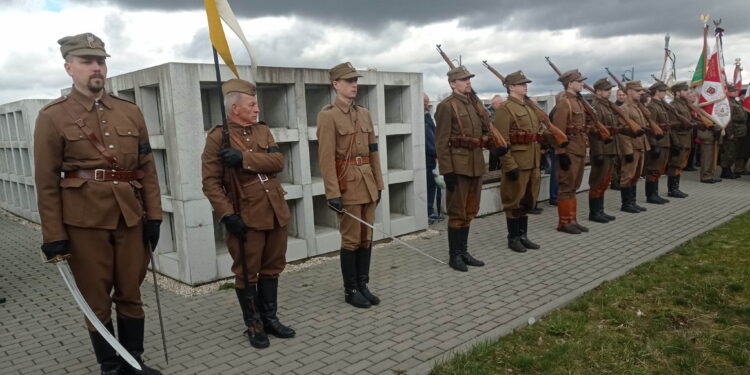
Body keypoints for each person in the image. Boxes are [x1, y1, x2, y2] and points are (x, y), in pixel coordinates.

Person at [34, 33, 163, 374]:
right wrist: (53, 235)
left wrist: (155, 215)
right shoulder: (52, 117)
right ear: (69, 68)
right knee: (96, 300)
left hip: (130, 217)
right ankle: (109, 366)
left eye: (100, 61)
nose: (96, 67)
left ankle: (133, 362)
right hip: (83, 223)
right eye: (86, 61)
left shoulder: (130, 112)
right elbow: (46, 182)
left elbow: (147, 167)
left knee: (131, 294)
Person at [202, 78, 295, 349]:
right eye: (252, 104)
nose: (257, 109)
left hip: (274, 208)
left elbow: (278, 162)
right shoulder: (218, 137)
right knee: (247, 272)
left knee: (273, 266)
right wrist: (227, 215)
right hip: (245, 213)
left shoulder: (262, 131)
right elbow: (210, 182)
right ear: (235, 108)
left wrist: (243, 159)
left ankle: (270, 318)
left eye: (256, 105)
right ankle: (253, 324)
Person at [317, 62, 384, 308]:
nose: (354, 85)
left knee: (367, 237)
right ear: (336, 84)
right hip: (348, 186)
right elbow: (325, 158)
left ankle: (363, 285)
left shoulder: (364, 114)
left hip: (367, 182)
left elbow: (373, 151)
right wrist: (332, 193)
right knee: (351, 239)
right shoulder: (328, 116)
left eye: (355, 81)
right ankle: (351, 289)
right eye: (348, 81)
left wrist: (379, 184)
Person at [436, 65, 499, 271]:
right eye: (463, 80)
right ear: (452, 83)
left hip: (475, 164)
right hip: (458, 166)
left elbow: (484, 130)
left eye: (469, 79)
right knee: (457, 212)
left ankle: (464, 251)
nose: (468, 82)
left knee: (470, 210)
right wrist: (447, 171)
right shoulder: (447, 106)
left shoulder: (474, 105)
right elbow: (442, 141)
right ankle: (455, 255)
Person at [493, 71, 543, 252]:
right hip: (517, 162)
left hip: (532, 161)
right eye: (521, 84)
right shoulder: (505, 108)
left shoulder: (528, 107)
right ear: (511, 87)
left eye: (526, 83)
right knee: (514, 202)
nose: (525, 86)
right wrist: (509, 164)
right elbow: (501, 140)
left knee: (526, 201)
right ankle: (513, 238)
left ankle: (523, 236)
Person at [550, 70, 590, 234]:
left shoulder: (579, 102)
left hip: (579, 148)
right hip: (569, 151)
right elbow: (558, 131)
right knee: (566, 186)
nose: (582, 83)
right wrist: (561, 153)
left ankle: (572, 220)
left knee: (574, 186)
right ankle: (564, 222)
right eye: (579, 81)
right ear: (570, 83)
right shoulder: (564, 103)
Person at [588, 78, 621, 223]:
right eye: (607, 90)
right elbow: (594, 132)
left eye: (610, 90)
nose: (609, 92)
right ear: (598, 91)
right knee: (597, 182)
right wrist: (598, 152)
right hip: (602, 150)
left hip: (610, 148)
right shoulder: (595, 107)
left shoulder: (608, 106)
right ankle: (594, 213)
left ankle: (600, 210)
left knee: (604, 182)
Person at [618, 81, 651, 213]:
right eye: (638, 91)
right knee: (628, 175)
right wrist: (627, 151)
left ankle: (633, 201)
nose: (641, 93)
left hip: (640, 145)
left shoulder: (638, 107)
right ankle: (626, 204)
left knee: (636, 175)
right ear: (630, 91)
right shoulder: (624, 109)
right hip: (632, 147)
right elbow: (623, 132)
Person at [666, 81, 696, 197]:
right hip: (679, 138)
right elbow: (672, 126)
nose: (687, 92)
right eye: (684, 90)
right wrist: (676, 142)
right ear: (677, 93)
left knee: (681, 164)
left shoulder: (684, 104)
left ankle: (676, 187)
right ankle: (672, 189)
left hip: (687, 138)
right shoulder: (674, 105)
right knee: (675, 164)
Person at [644, 81, 673, 204]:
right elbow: (651, 127)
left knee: (660, 169)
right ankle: (651, 195)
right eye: (663, 91)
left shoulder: (661, 105)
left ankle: (655, 193)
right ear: (657, 92)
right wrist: (653, 144)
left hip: (664, 141)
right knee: (653, 169)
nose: (665, 93)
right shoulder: (652, 106)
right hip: (658, 142)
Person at [720, 84, 748, 179]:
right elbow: (728, 120)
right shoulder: (728, 103)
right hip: (733, 132)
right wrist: (730, 133)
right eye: (733, 91)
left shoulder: (736, 102)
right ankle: (725, 172)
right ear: (728, 92)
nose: (736, 92)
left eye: (736, 91)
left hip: (739, 132)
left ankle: (729, 171)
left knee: (734, 152)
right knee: (729, 152)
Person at [696, 89, 722, 183]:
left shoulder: (713, 108)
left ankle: (710, 174)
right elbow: (700, 121)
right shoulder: (701, 108)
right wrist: (712, 126)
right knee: (707, 157)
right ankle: (705, 176)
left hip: (713, 135)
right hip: (706, 135)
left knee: (712, 157)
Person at [424, 93, 443, 224]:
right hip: (425, 158)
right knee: (426, 186)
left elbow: (435, 134)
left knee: (433, 186)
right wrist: (435, 152)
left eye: (427, 101)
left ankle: (430, 211)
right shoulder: (418, 118)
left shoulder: (427, 117)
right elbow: (426, 140)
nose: (426, 104)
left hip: (433, 159)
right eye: (424, 101)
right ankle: (426, 212)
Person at [487, 94, 504, 171]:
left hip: (503, 140)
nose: (502, 105)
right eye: (500, 103)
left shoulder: (502, 111)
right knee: (493, 162)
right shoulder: (488, 113)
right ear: (493, 104)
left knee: (502, 162)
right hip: (493, 141)